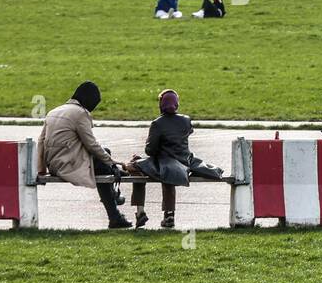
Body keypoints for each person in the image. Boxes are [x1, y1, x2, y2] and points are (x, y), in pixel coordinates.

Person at [36, 81, 130, 228]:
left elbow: (41, 142)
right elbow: (91, 144)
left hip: (54, 165)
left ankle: (113, 198)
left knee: (104, 155)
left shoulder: (54, 111)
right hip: (69, 164)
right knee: (104, 162)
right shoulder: (80, 113)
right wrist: (113, 163)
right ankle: (114, 215)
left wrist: (41, 169)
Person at [125, 89, 222, 229]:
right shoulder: (186, 120)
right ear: (176, 104)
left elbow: (150, 150)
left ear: (161, 105)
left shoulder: (157, 123)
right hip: (184, 162)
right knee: (169, 172)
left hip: (165, 163)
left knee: (136, 166)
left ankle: (140, 212)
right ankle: (169, 215)